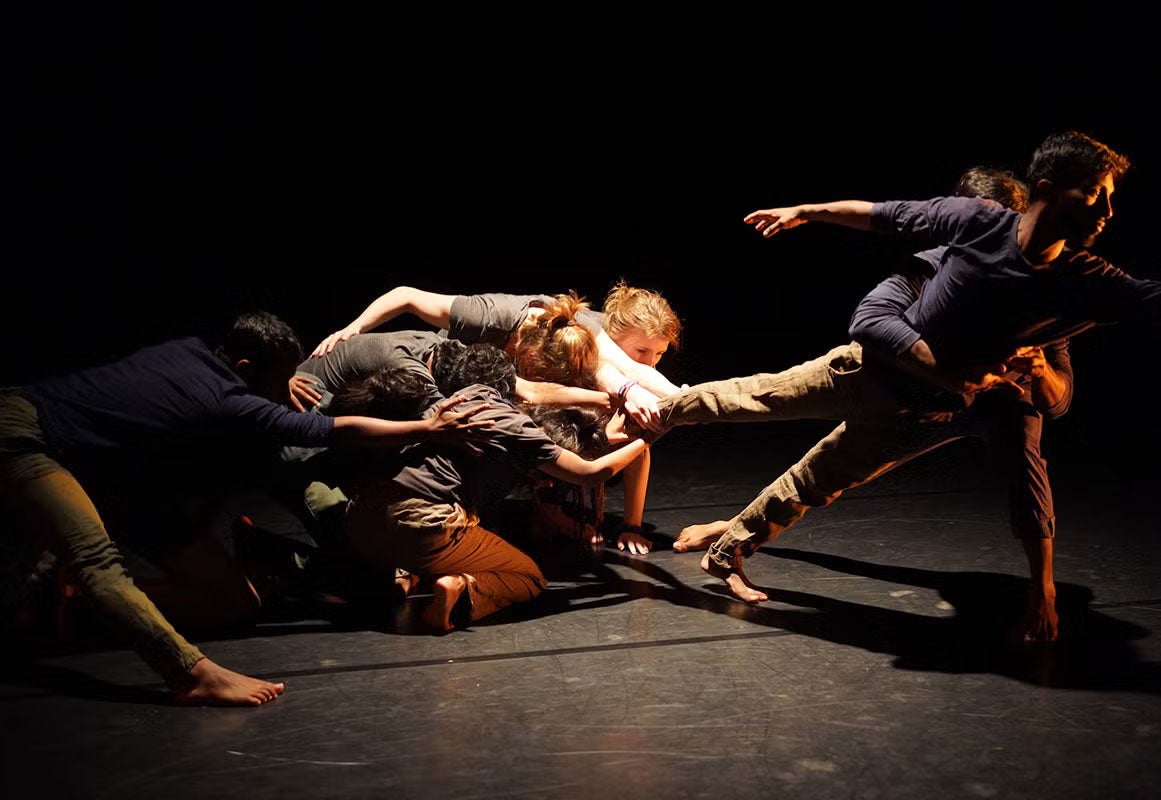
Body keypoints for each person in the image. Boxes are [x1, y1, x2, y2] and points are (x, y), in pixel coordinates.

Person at [659, 130, 1161, 642]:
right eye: (1094, 194)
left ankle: (727, 548)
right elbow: (884, 223)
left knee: (811, 483)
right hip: (866, 371)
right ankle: (647, 409)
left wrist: (1028, 377)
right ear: (1045, 191)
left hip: (914, 418)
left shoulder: (1083, 283)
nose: (1107, 212)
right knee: (745, 397)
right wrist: (806, 211)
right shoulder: (968, 227)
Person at [0, 310, 495, 706]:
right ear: (244, 370)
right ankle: (189, 674)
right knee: (98, 564)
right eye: (280, 380)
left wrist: (277, 387)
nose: (288, 391)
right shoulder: (227, 401)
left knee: (235, 604)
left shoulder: (192, 351)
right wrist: (427, 429)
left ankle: (62, 603)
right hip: (25, 434)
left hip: (109, 471)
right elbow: (331, 429)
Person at [308, 280, 684, 554]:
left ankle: (544, 511)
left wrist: (648, 401)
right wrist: (353, 327)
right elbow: (406, 296)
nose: (646, 363)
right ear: (531, 357)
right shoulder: (492, 320)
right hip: (443, 386)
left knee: (576, 436)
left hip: (494, 390)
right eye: (641, 352)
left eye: (658, 355)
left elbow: (611, 385)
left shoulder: (582, 343)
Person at [321, 343, 658, 633]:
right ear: (508, 385)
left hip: (360, 519)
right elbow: (590, 473)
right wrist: (649, 436)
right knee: (528, 577)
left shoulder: (444, 405)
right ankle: (460, 590)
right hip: (421, 523)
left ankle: (401, 576)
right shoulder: (510, 422)